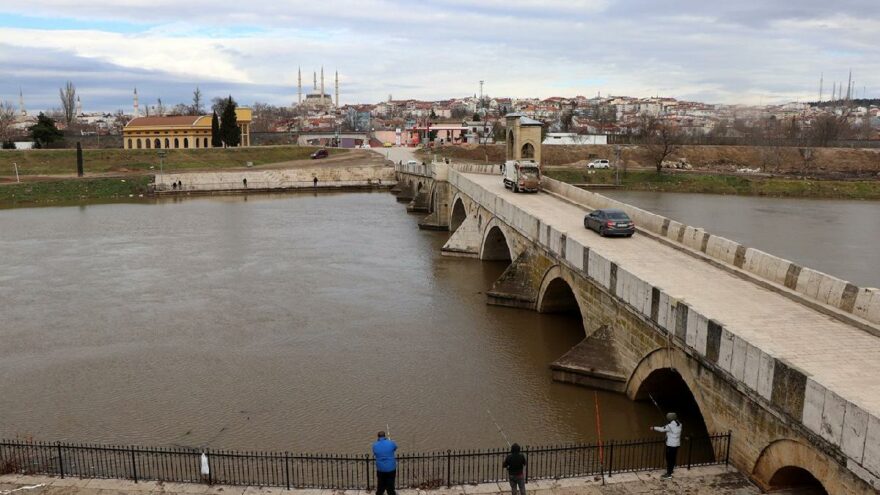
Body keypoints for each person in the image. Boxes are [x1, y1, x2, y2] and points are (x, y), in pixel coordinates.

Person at [651, 412, 682, 479]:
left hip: (670, 445)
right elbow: (670, 429)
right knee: (673, 458)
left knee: (669, 459)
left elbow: (662, 429)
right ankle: (671, 470)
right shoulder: (679, 424)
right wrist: (669, 424)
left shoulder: (670, 426)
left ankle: (669, 474)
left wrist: (654, 428)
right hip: (676, 444)